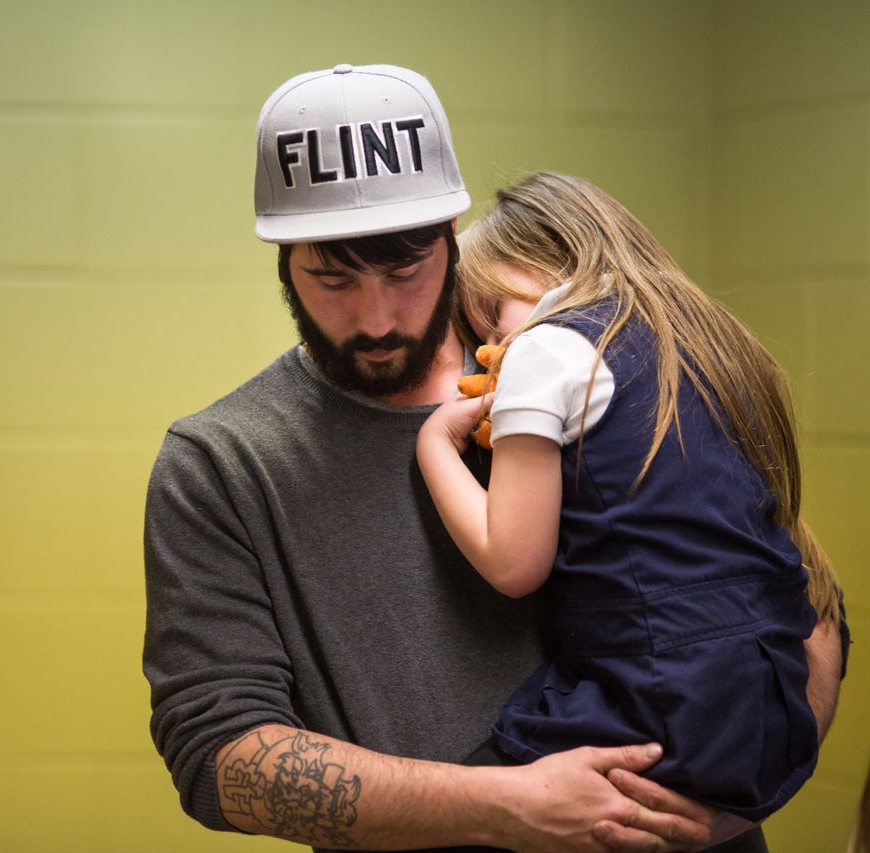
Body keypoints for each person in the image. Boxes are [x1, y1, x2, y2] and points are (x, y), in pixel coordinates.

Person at [142, 64, 846, 852]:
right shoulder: (221, 461)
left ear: (451, 239)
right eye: (332, 278)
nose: (377, 316)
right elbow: (218, 757)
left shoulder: (580, 365)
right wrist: (501, 803)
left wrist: (730, 801)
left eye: (405, 272)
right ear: (283, 265)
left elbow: (805, 602)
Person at [416, 171, 844, 825]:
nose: (488, 351)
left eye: (485, 316)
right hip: (769, 708)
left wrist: (436, 448)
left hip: (655, 704)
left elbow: (513, 562)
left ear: (528, 270)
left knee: (448, 816)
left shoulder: (548, 346)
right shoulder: (710, 343)